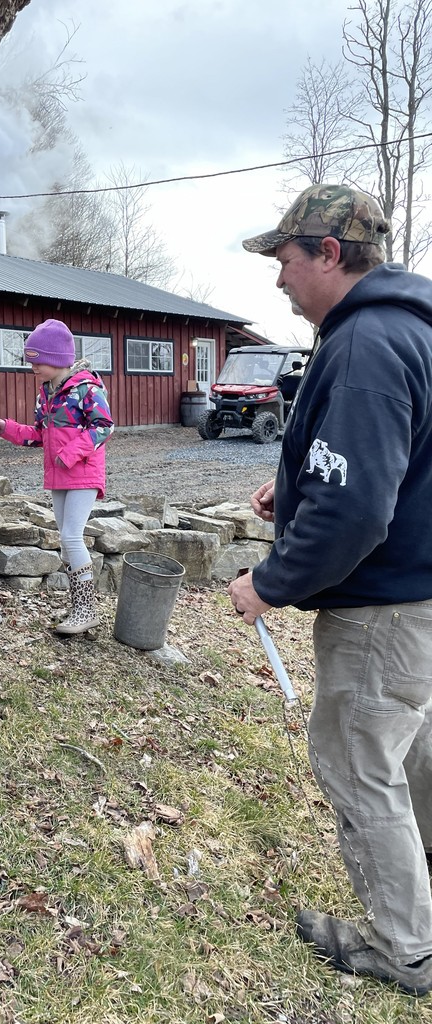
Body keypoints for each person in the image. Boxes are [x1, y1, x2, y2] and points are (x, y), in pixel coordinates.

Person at [227, 183, 432, 995]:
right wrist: (301, 486)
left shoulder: (365, 346)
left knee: (355, 760)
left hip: (381, 609)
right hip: (419, 598)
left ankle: (403, 947)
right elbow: (398, 468)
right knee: (409, 753)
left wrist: (270, 584)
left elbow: (355, 513)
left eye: (286, 260)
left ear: (329, 254)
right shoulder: (411, 331)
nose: (278, 279)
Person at [0, 319, 114, 635]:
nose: (32, 368)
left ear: (57, 359)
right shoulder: (46, 394)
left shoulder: (87, 388)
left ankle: (86, 611)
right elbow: (40, 434)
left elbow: (104, 427)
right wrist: (10, 429)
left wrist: (70, 453)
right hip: (59, 476)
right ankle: (79, 607)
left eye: (37, 361)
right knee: (66, 540)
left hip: (83, 473)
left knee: (72, 535)